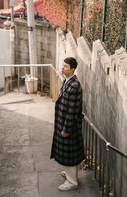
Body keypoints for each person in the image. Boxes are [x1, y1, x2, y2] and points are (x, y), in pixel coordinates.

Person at [50, 57, 85, 191]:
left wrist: (66, 129)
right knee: (68, 153)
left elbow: (72, 111)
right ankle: (70, 174)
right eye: (62, 65)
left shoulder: (74, 86)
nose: (62, 68)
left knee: (69, 153)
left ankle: (71, 182)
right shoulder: (67, 81)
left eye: (65, 66)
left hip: (68, 126)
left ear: (72, 69)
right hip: (63, 124)